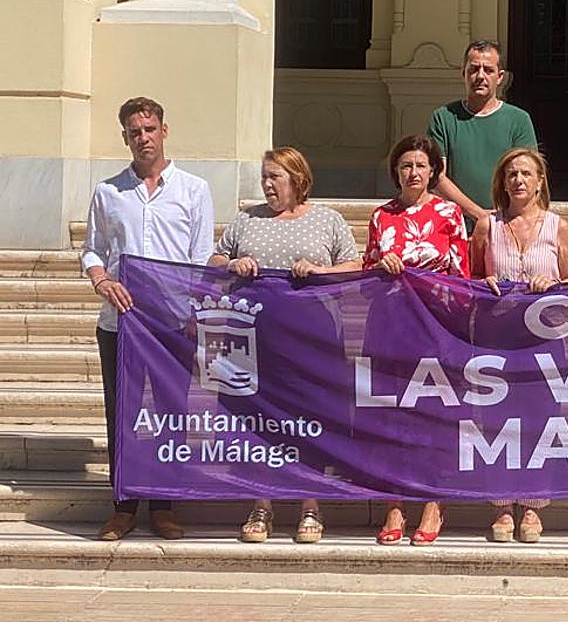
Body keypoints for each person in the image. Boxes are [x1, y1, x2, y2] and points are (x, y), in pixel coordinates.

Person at [208, 147, 360, 544]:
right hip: (254, 337)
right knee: (258, 418)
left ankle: (310, 503)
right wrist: (232, 264)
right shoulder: (247, 219)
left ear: (298, 179)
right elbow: (214, 260)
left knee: (308, 416)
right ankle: (262, 503)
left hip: (313, 337)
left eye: (275, 176)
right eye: (264, 176)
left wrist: (320, 270)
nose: (267, 184)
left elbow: (355, 266)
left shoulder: (327, 220)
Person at [82, 97, 215, 542]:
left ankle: (164, 505)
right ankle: (123, 506)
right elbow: (93, 250)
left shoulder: (193, 189)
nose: (144, 138)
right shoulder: (109, 192)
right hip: (121, 323)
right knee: (122, 413)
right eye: (135, 132)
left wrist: (196, 312)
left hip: (172, 323)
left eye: (150, 129)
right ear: (125, 137)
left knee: (171, 413)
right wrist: (101, 280)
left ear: (164, 131)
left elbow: (200, 259)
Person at [469, 147, 568, 543]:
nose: (518, 180)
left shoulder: (557, 226)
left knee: (540, 420)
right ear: (502, 183)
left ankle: (533, 504)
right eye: (511, 174)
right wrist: (482, 283)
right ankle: (502, 505)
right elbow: (469, 278)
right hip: (497, 338)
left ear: (540, 182)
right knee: (497, 421)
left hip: (544, 338)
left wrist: (554, 284)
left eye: (526, 174)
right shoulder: (487, 226)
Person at [365, 134, 470, 545]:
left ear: (433, 172)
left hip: (435, 326)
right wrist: (380, 263)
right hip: (389, 325)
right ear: (396, 171)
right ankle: (395, 501)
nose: (413, 172)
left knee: (433, 414)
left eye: (421, 166)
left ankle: (432, 501)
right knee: (392, 414)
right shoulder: (380, 216)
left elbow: (462, 276)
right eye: (406, 165)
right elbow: (366, 272)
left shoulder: (449, 213)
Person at [427, 40, 538, 225]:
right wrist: (479, 215)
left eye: (488, 70)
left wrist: (502, 219)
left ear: (500, 76)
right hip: (455, 224)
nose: (480, 76)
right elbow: (437, 177)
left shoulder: (518, 120)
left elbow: (529, 176)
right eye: (473, 69)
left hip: (507, 223)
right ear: (463, 73)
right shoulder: (443, 118)